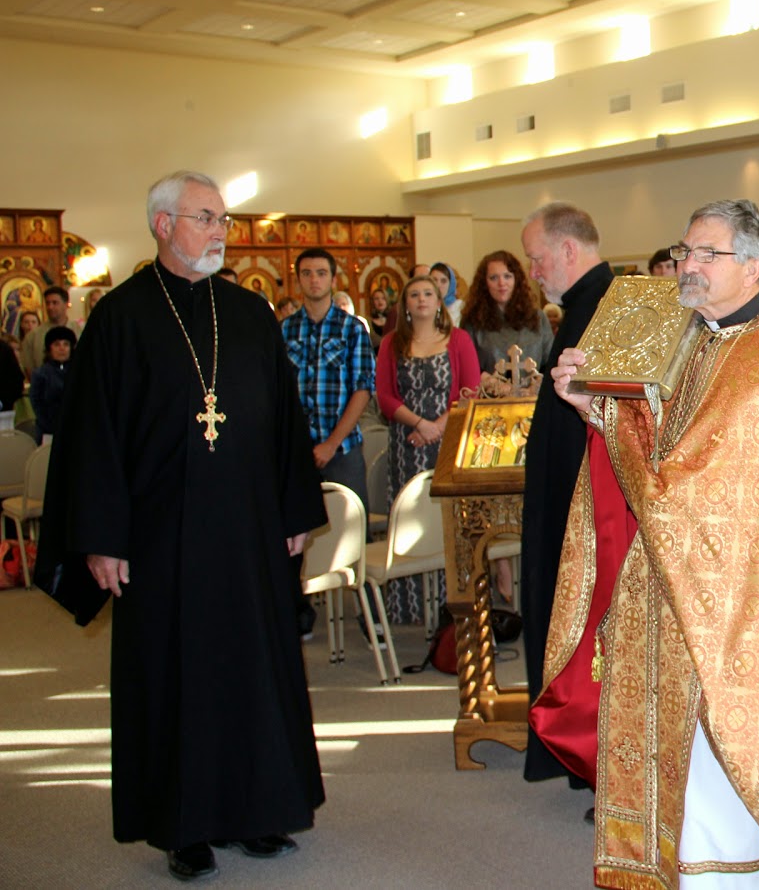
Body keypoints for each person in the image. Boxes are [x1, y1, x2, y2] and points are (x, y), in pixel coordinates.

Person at [546, 199, 759, 890]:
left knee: (731, 793)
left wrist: (617, 423)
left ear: (756, 266)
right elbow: (660, 457)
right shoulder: (684, 342)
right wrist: (596, 403)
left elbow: (690, 489)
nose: (689, 266)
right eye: (685, 252)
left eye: (709, 254)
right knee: (681, 789)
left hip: (750, 612)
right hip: (673, 590)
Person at [34, 170, 326, 882]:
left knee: (253, 668)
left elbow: (285, 416)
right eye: (205, 217)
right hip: (160, 535)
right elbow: (93, 435)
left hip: (249, 529)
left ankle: (259, 809)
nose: (220, 231)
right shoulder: (120, 317)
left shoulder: (250, 313)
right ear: (163, 225)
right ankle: (183, 826)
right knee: (175, 676)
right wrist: (102, 537)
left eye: (224, 218)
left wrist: (293, 508)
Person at [517, 202, 612, 786]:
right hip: (569, 497)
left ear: (568, 250)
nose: (533, 271)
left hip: (588, 509)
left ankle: (590, 755)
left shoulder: (604, 309)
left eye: (537, 258)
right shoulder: (584, 307)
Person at [375, 275, 479, 622]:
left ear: (439, 302)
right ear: (405, 304)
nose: (421, 299)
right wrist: (420, 424)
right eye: (414, 294)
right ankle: (410, 608)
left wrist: (436, 428)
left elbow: (470, 391)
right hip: (407, 445)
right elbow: (385, 396)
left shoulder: (459, 339)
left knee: (448, 523)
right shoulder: (391, 343)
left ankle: (452, 609)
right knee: (411, 518)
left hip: (449, 444)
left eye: (428, 294)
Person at [281, 249, 376, 512]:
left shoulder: (352, 328)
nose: (314, 280)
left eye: (321, 273)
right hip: (298, 450)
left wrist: (331, 444)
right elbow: (279, 391)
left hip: (343, 448)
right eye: (307, 273)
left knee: (352, 524)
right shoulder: (285, 330)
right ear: (298, 280)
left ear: (333, 280)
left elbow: (363, 389)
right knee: (299, 526)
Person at [461, 250, 553, 378]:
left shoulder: (538, 318)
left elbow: (550, 364)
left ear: (517, 280)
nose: (501, 283)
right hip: (490, 390)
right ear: (484, 283)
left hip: (533, 389)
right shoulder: (473, 322)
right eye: (494, 278)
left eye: (507, 276)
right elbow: (467, 368)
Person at [21, 285, 79, 377]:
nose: (50, 307)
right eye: (47, 303)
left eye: (55, 303)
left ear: (65, 304)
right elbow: (29, 369)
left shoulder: (79, 331)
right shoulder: (33, 336)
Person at [28, 325, 74, 440]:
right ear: (49, 349)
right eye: (57, 344)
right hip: (48, 430)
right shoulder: (40, 374)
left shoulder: (78, 373)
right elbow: (37, 403)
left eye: (66, 344)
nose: (62, 348)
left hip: (74, 429)